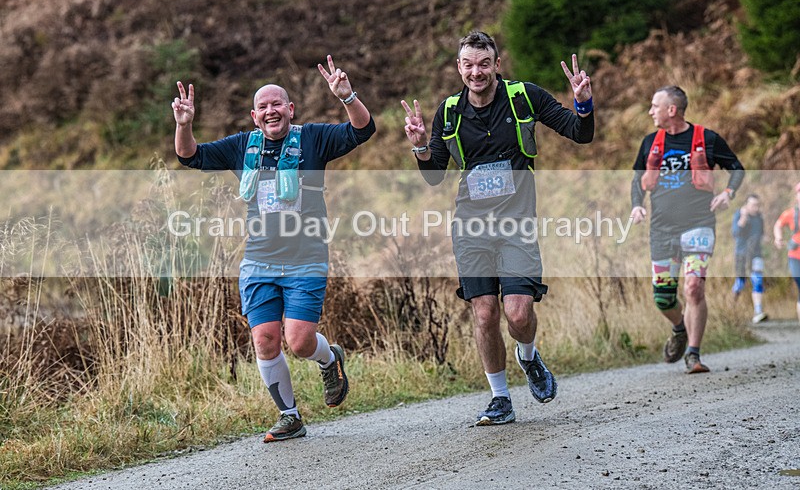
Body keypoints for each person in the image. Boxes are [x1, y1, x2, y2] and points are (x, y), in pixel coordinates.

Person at [172, 56, 375, 442]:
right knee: (265, 340)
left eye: (277, 104)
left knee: (299, 341)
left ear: (290, 109)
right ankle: (290, 416)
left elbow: (361, 131)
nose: (271, 111)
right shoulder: (241, 147)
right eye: (263, 107)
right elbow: (189, 156)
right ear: (254, 115)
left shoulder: (313, 138)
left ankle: (329, 359)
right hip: (259, 261)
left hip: (306, 258)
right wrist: (184, 125)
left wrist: (348, 97)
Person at [401, 30, 594, 425]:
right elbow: (435, 176)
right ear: (459, 68)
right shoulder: (450, 112)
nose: (477, 72)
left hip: (517, 225)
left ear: (497, 65)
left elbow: (580, 133)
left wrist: (584, 102)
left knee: (519, 314)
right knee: (486, 314)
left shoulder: (525, 97)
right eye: (469, 65)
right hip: (471, 227)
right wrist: (421, 146)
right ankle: (500, 397)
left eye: (484, 63)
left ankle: (528, 357)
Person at [630, 85, 744, 374]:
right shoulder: (649, 142)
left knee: (694, 288)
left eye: (655, 106)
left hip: (699, 225)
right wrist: (636, 205)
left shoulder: (707, 139)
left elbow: (737, 168)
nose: (650, 111)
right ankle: (679, 328)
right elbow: (636, 179)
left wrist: (728, 192)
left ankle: (693, 353)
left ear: (672, 110)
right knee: (663, 298)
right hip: (661, 230)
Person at [732, 194, 767, 324]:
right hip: (741, 254)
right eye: (753, 205)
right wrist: (743, 218)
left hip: (756, 254)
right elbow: (735, 232)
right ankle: (731, 309)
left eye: (757, 205)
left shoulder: (759, 217)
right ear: (746, 205)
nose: (755, 208)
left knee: (757, 280)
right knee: (740, 282)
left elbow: (761, 234)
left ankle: (758, 311)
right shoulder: (739, 215)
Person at [772, 182, 800, 323]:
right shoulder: (791, 214)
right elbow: (778, 225)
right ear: (796, 196)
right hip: (795, 256)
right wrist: (778, 238)